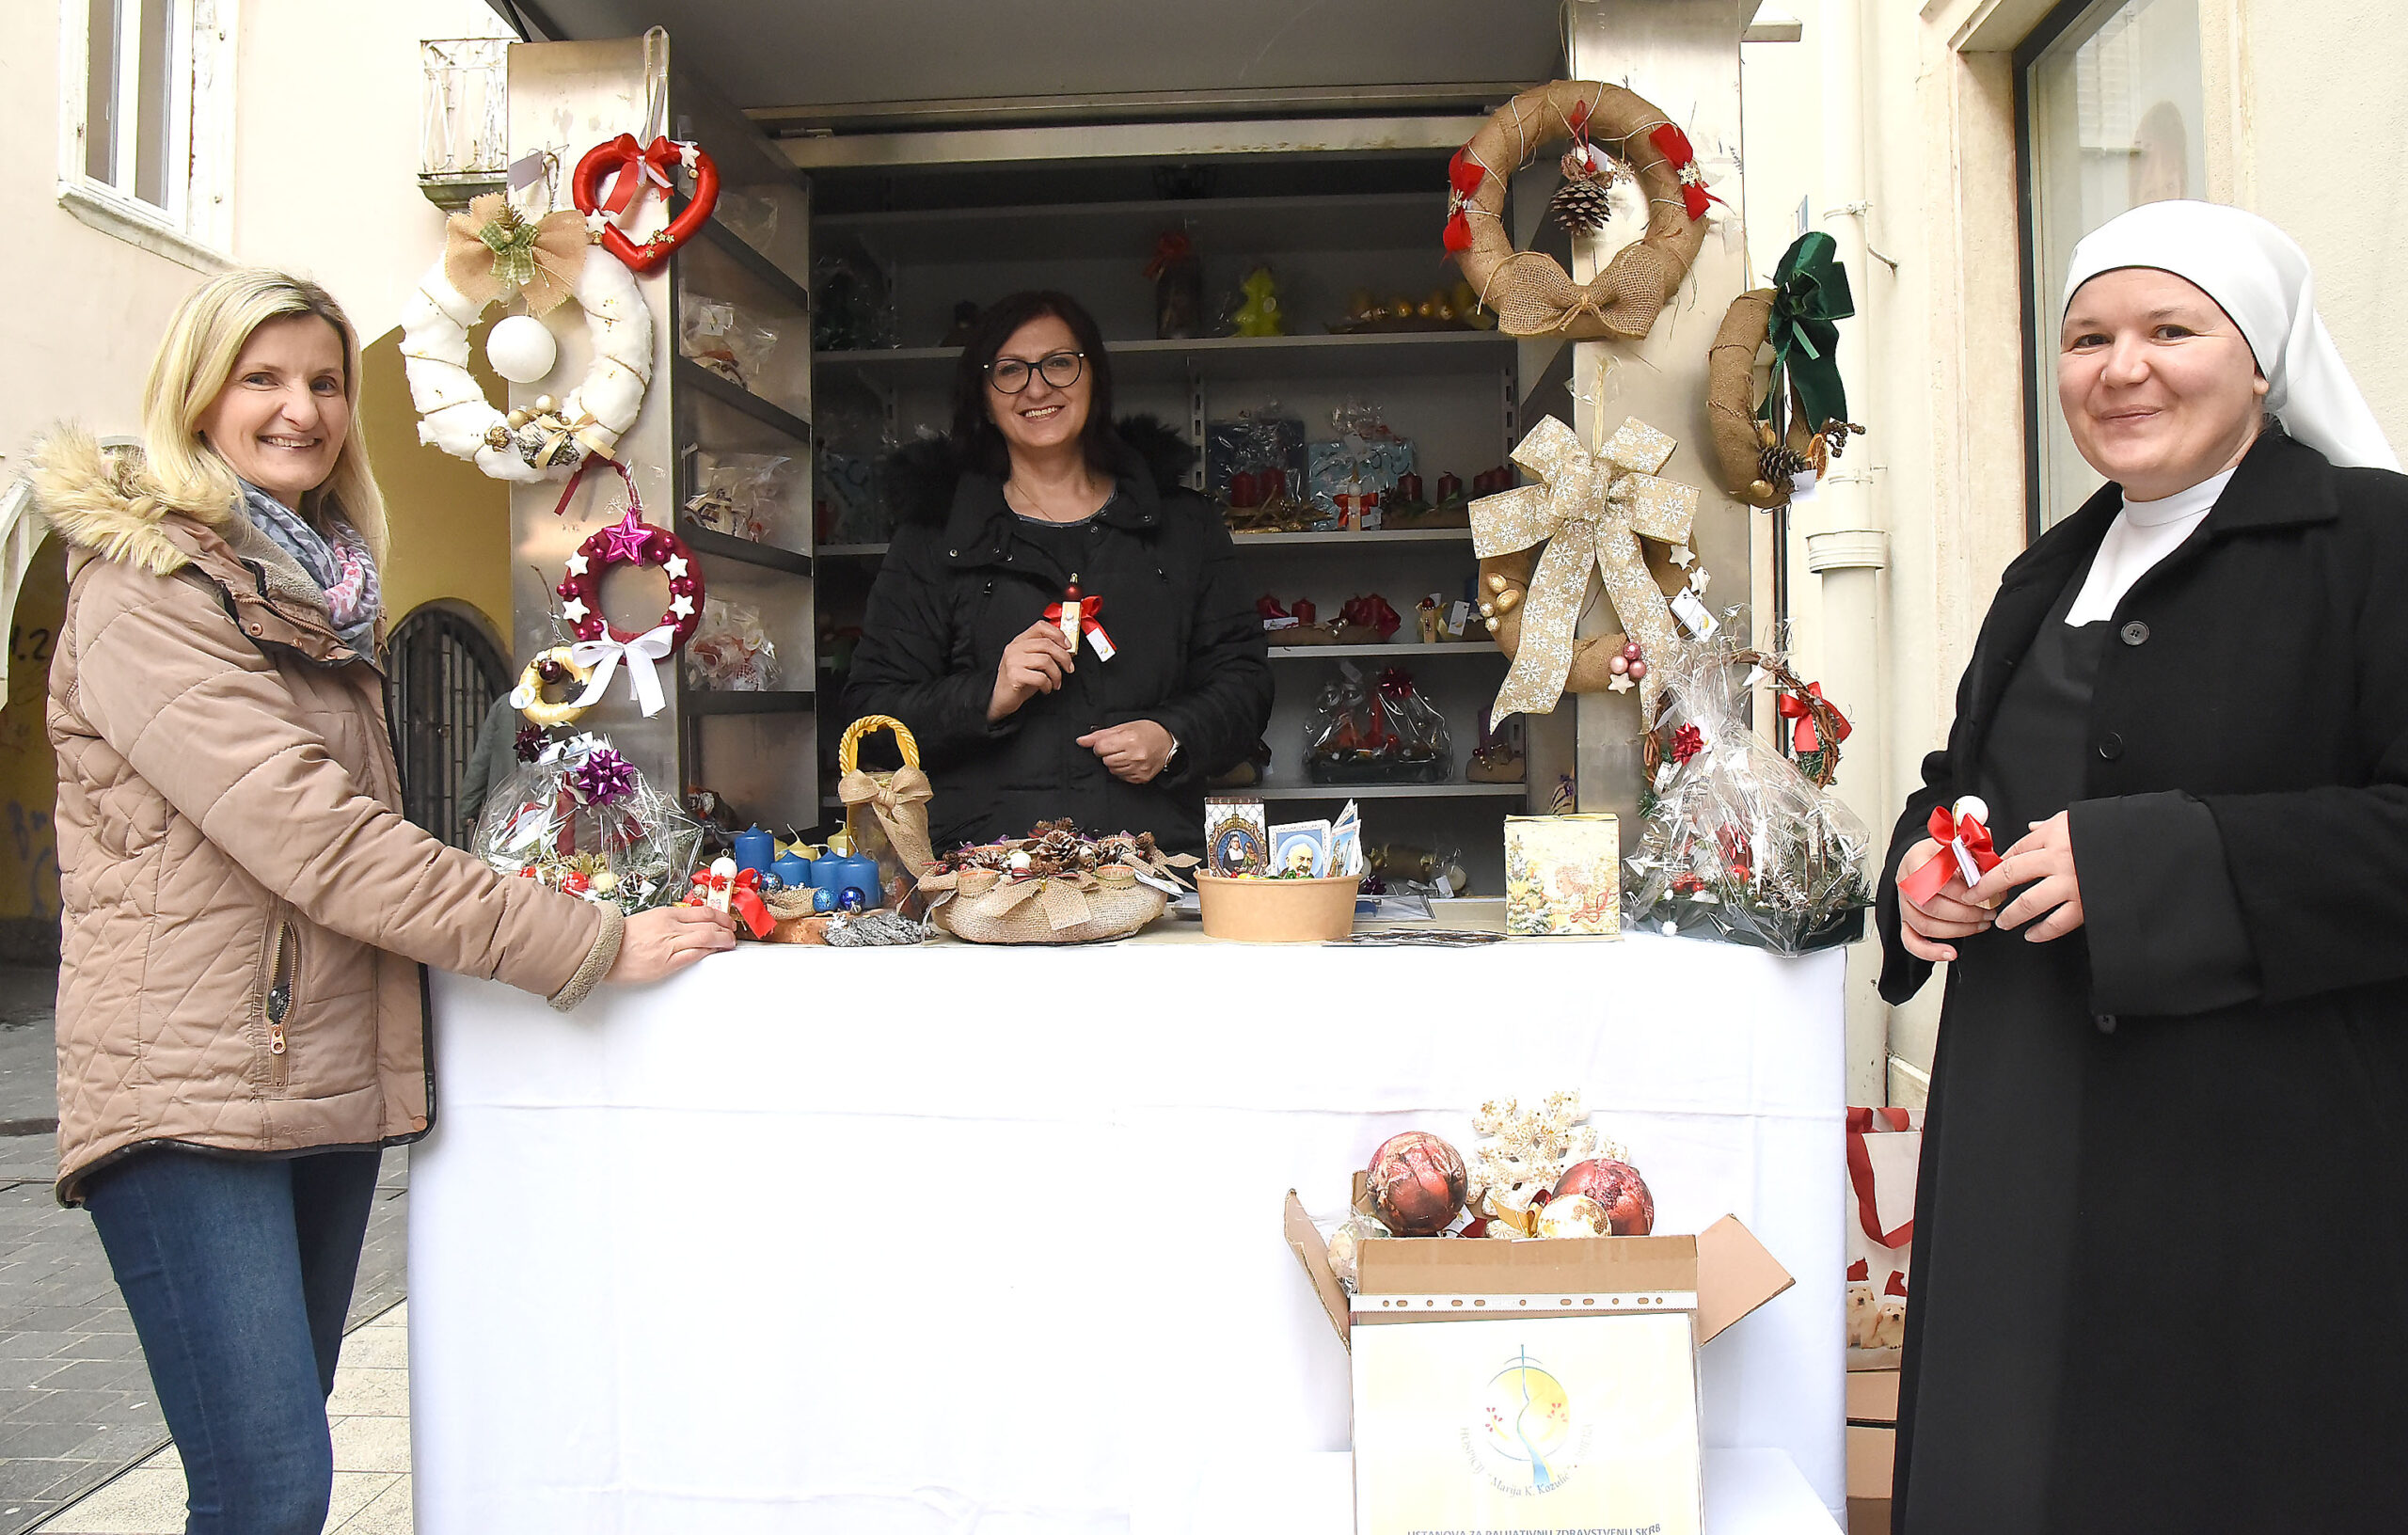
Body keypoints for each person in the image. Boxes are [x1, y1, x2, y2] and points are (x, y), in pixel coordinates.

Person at [32, 268, 738, 1535]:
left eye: (321, 383)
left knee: (275, 1482)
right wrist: (585, 939)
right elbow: (324, 844)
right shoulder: (149, 591)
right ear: (194, 394)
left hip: (308, 1072)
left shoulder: (310, 590)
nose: (299, 409)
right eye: (261, 378)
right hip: (192, 1093)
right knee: (269, 1487)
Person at [1877, 200, 2408, 1532]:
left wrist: (2145, 864)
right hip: (2023, 1129)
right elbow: (1968, 786)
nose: (2123, 370)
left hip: (2255, 1166)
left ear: (2263, 357)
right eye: (2088, 338)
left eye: (2172, 330)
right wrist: (1922, 867)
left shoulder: (2375, 547)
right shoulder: (2047, 573)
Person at [841, 290, 1270, 853]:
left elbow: (1245, 683)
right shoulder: (934, 540)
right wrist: (987, 695)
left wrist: (1173, 738)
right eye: (1010, 371)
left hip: (1155, 866)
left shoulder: (1182, 527)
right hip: (987, 881)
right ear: (982, 394)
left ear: (1095, 376)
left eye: (1059, 364)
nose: (1037, 388)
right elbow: (869, 723)